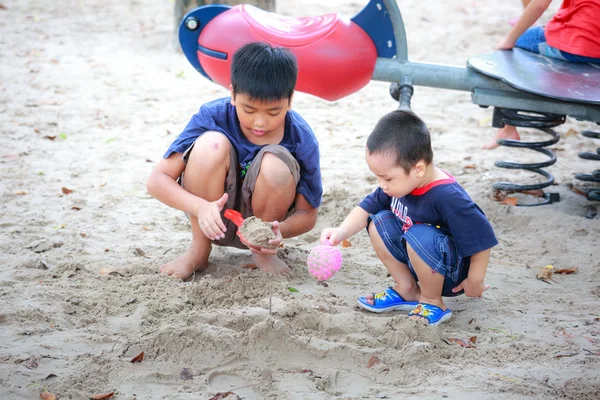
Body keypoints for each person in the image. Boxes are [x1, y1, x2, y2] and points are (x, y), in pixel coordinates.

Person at [147, 42, 322, 279]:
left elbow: (308, 214)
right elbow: (157, 180)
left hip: (265, 228)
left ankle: (263, 254)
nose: (260, 122)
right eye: (249, 110)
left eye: (273, 112)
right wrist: (200, 207)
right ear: (232, 94)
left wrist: (279, 231)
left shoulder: (300, 136)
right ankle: (199, 249)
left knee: (275, 161)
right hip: (211, 220)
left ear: (290, 101)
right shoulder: (212, 116)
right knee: (211, 144)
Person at [321, 110, 498, 325]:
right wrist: (341, 231)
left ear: (418, 169)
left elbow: (481, 239)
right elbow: (367, 208)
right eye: (377, 177)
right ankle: (407, 289)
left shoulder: (448, 196)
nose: (381, 185)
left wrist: (475, 280)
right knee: (378, 220)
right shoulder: (398, 187)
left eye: (387, 178)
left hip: (450, 271)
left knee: (419, 234)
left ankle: (433, 301)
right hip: (417, 257)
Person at [484, 0, 600, 149]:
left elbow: (539, 5)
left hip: (575, 42)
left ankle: (507, 128)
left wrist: (509, 40)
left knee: (508, 51)